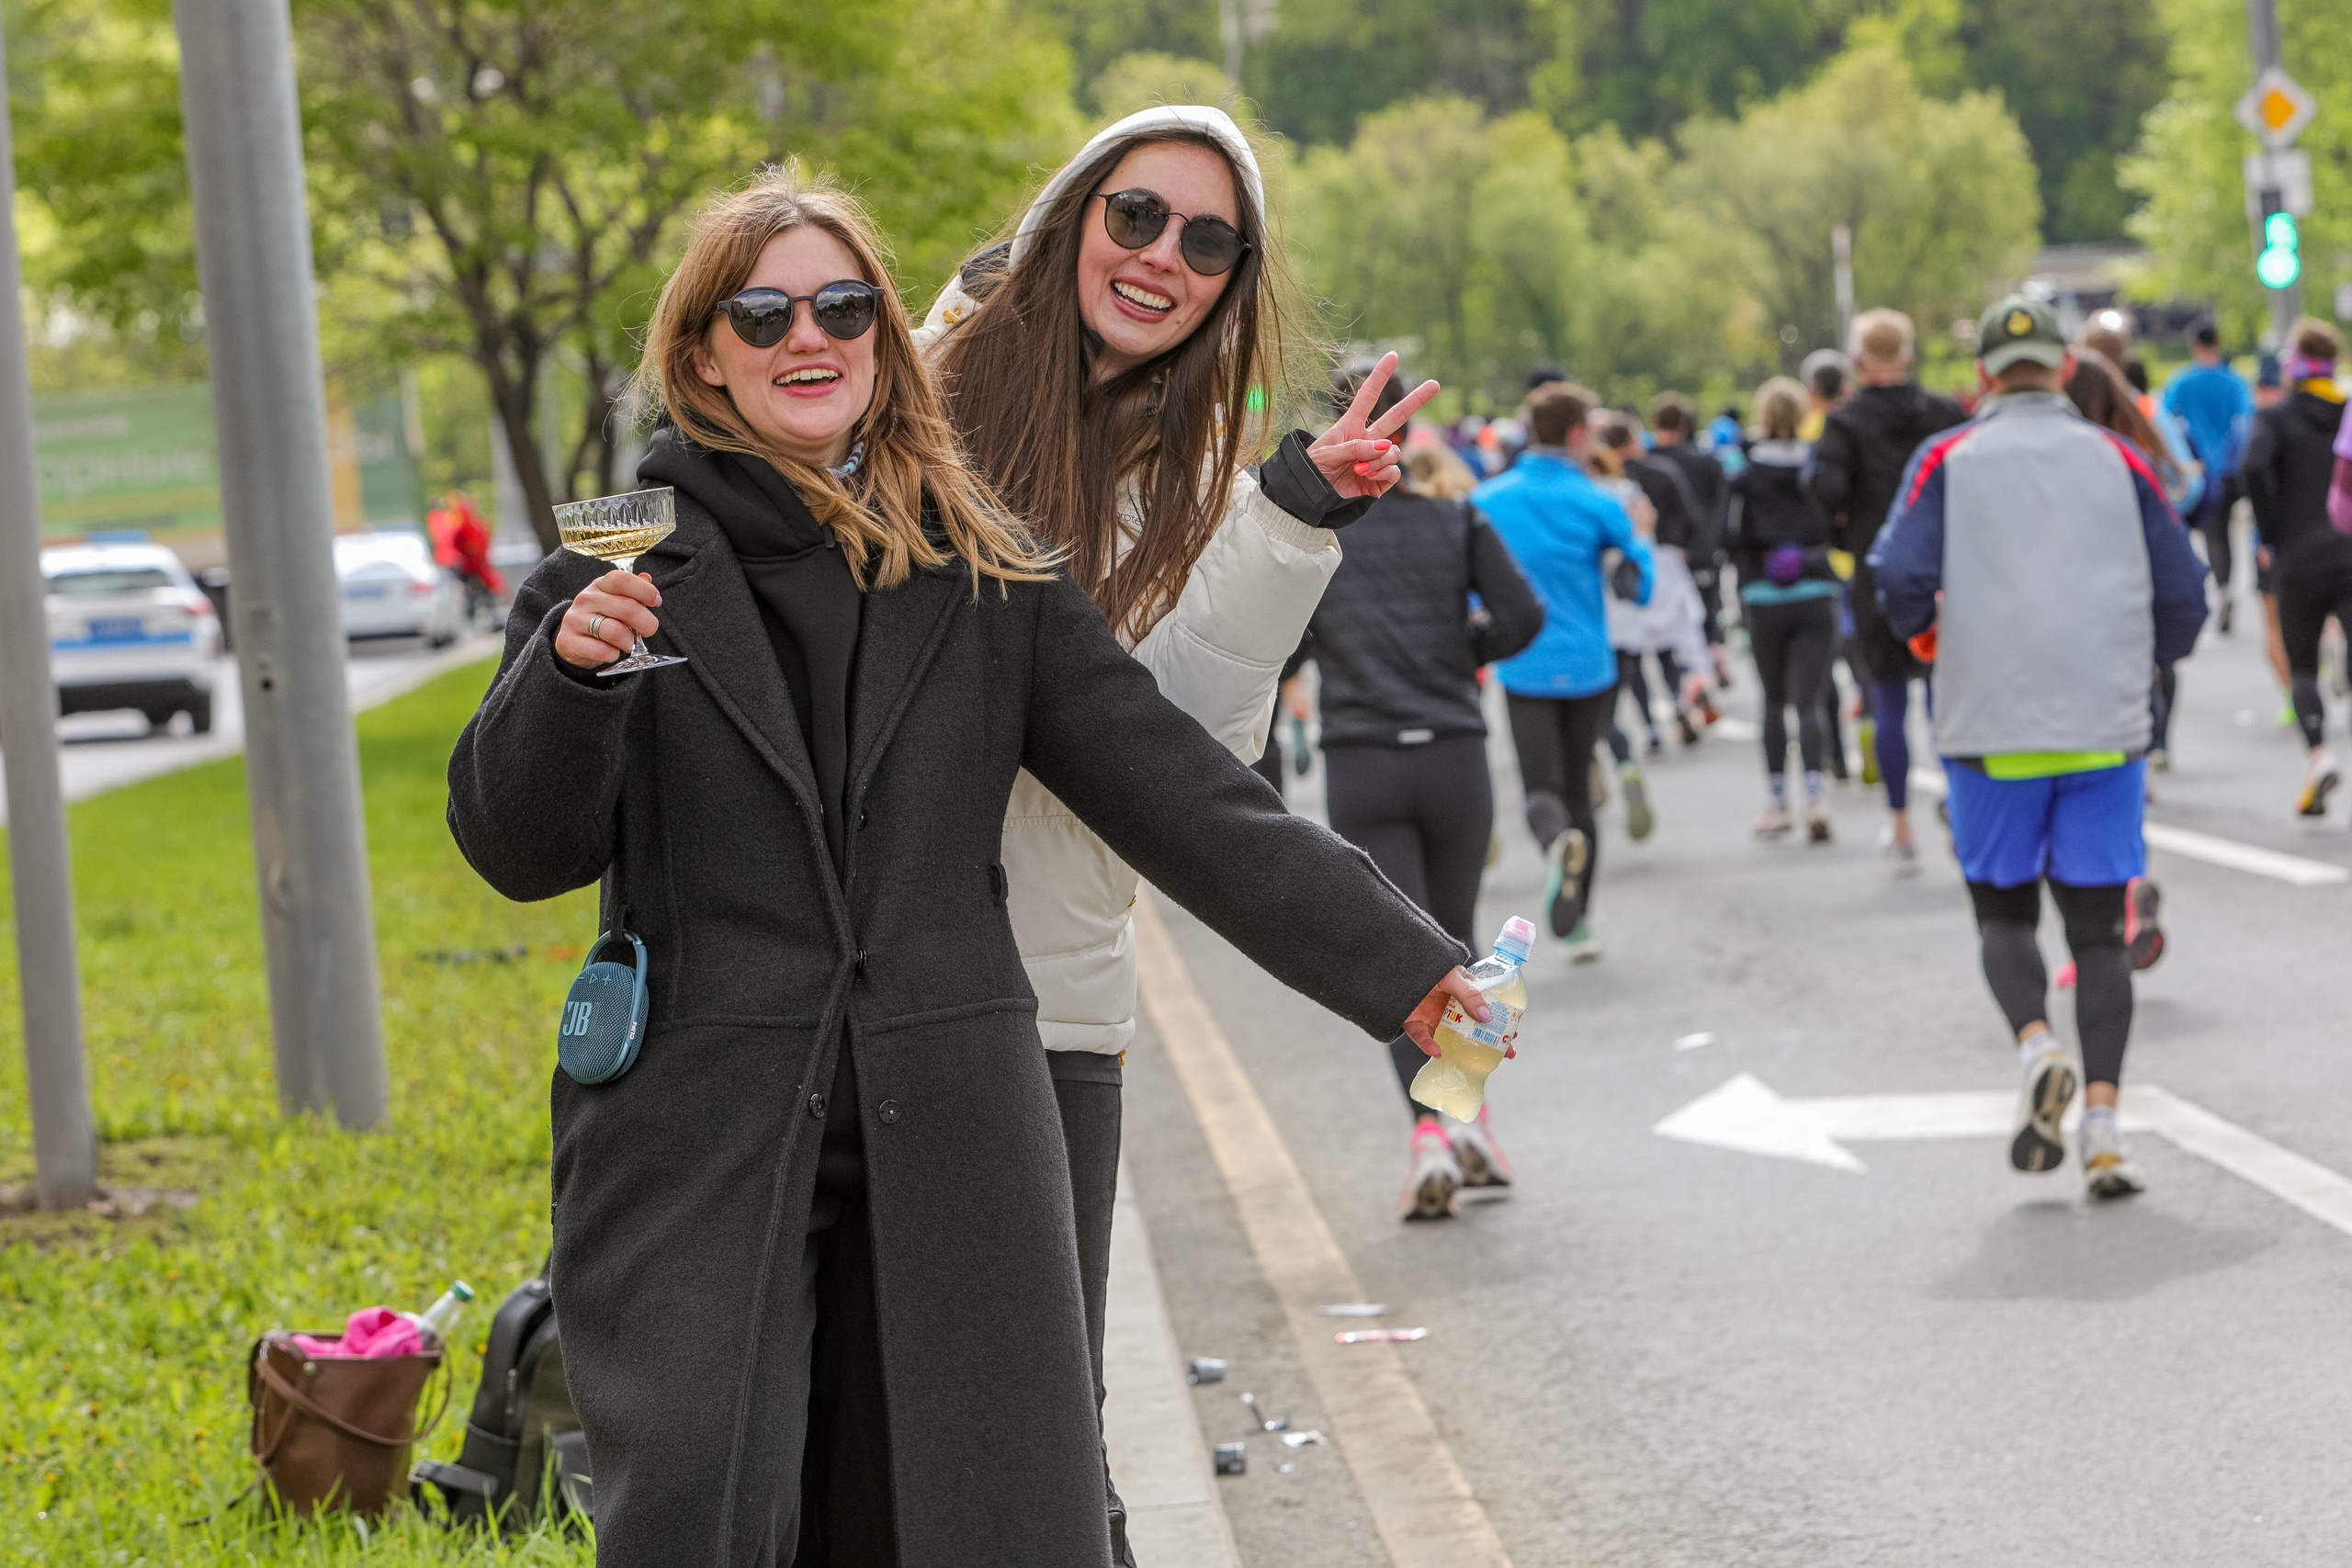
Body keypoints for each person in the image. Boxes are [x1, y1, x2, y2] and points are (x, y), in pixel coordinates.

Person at [446, 170, 1483, 1567]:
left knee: (964, 1514)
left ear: (884, 340)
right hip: (700, 1117)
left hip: (954, 1111)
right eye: (762, 314)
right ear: (701, 355)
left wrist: (1404, 968)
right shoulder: (615, 567)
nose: (808, 337)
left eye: (843, 307)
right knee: (697, 1496)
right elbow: (517, 849)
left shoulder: (982, 564)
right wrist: (569, 683)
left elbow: (1176, 790)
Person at [917, 104, 1436, 1562]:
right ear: (1072, 214)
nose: (1164, 258)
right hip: (863, 998)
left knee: (1047, 1451)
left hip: (1054, 1007)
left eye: (1210, 243)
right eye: (1136, 215)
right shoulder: (915, 398)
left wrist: (1289, 522)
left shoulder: (1196, 480)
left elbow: (1180, 756)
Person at [1871, 294, 2206, 1199]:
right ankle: (2103, 1125)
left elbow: (1897, 576)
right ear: (2063, 367)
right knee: (2098, 932)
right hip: (2102, 730)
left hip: (1989, 727)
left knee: (2004, 915)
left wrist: (1932, 637)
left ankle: (2035, 1047)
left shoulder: (1946, 458)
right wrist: (2140, 662)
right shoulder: (2119, 459)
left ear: (1983, 374)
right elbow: (2184, 592)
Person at [1292, 386, 1544, 1218]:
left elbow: (1280, 650)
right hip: (1452, 753)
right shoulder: (1456, 518)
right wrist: (1467, 649)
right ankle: (1473, 1126)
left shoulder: (1315, 536)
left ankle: (1429, 1135)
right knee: (1457, 946)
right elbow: (1523, 613)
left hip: (1362, 759)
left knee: (1403, 960)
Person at [1479, 381, 1653, 964]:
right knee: (1580, 788)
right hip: (1588, 664)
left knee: (1540, 790)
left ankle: (1557, 843)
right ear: (1577, 434)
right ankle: (1580, 927)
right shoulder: (1598, 500)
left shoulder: (1488, 499)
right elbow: (1640, 581)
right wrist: (1636, 553)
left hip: (1522, 660)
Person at [1809, 309, 1966, 872]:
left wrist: (1846, 526)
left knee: (1889, 700)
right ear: (1908, 355)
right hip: (1948, 570)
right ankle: (1960, 806)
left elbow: (1826, 491)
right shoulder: (1945, 414)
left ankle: (1900, 823)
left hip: (1878, 570)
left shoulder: (1844, 423)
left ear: (1857, 360)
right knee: (1948, 699)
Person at [2067, 348, 2197, 776]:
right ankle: (2154, 743)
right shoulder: (2133, 444)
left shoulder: (2042, 460)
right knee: (2154, 666)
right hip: (2135, 580)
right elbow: (2186, 483)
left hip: (2072, 609)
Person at [2243, 317, 2352, 818]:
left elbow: (2252, 465)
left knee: (2302, 665)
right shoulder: (2347, 411)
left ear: (2294, 363)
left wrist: (2269, 532)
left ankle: (2318, 755)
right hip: (2348, 550)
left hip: (2298, 556)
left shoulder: (2275, 417)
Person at [1728, 376, 1841, 842]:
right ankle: (1816, 796)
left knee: (1773, 699)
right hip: (1815, 589)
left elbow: (1730, 536)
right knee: (1809, 700)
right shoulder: (1817, 467)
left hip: (1764, 595)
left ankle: (1777, 801)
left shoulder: (1745, 473)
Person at [2163, 321, 2255, 636]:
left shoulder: (2181, 381)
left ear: (2194, 344)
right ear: (2218, 341)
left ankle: (2215, 587)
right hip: (2228, 469)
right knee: (2223, 533)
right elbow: (2247, 421)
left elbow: (2165, 419)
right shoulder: (2234, 381)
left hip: (2196, 469)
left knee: (2205, 534)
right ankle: (2226, 588)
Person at [1649, 391, 1732, 689]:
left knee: (1668, 624)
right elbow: (1723, 510)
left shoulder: (1649, 464)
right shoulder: (1709, 463)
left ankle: (1684, 683)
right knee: (1707, 612)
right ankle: (1713, 654)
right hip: (1705, 552)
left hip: (1663, 555)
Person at [425, 489, 505, 625]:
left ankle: (485, 618)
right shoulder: (458, 523)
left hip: (471, 565)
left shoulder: (465, 523)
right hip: (467, 566)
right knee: (476, 592)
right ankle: (483, 618)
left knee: (478, 592)